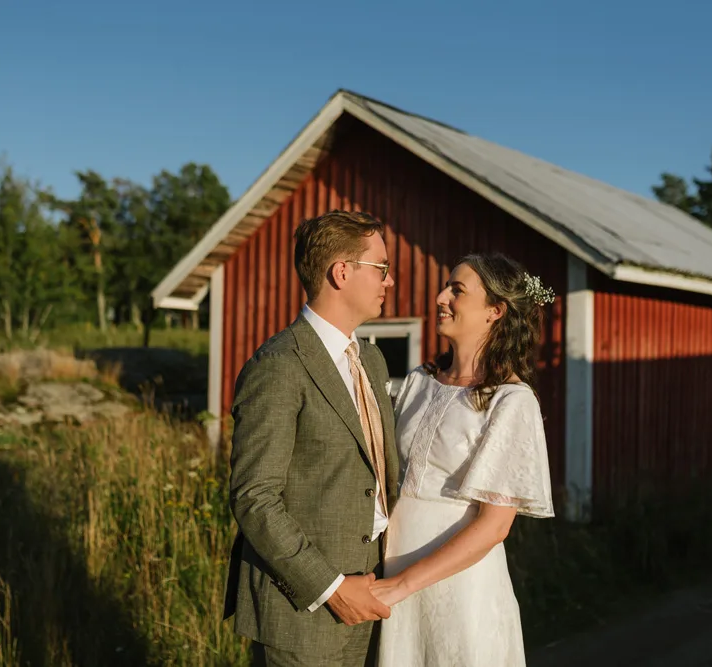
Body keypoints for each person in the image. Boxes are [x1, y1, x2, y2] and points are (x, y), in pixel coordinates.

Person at [223, 209, 402, 667]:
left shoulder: (372, 362)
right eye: (381, 268)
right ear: (342, 272)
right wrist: (332, 588)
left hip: (377, 595)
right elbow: (254, 498)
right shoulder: (279, 364)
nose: (390, 281)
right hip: (303, 609)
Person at [371, 252, 556, 667]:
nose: (440, 297)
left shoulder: (511, 401)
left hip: (460, 590)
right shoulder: (419, 381)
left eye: (457, 290)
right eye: (445, 287)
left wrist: (401, 585)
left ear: (495, 311)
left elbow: (493, 526)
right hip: (393, 568)